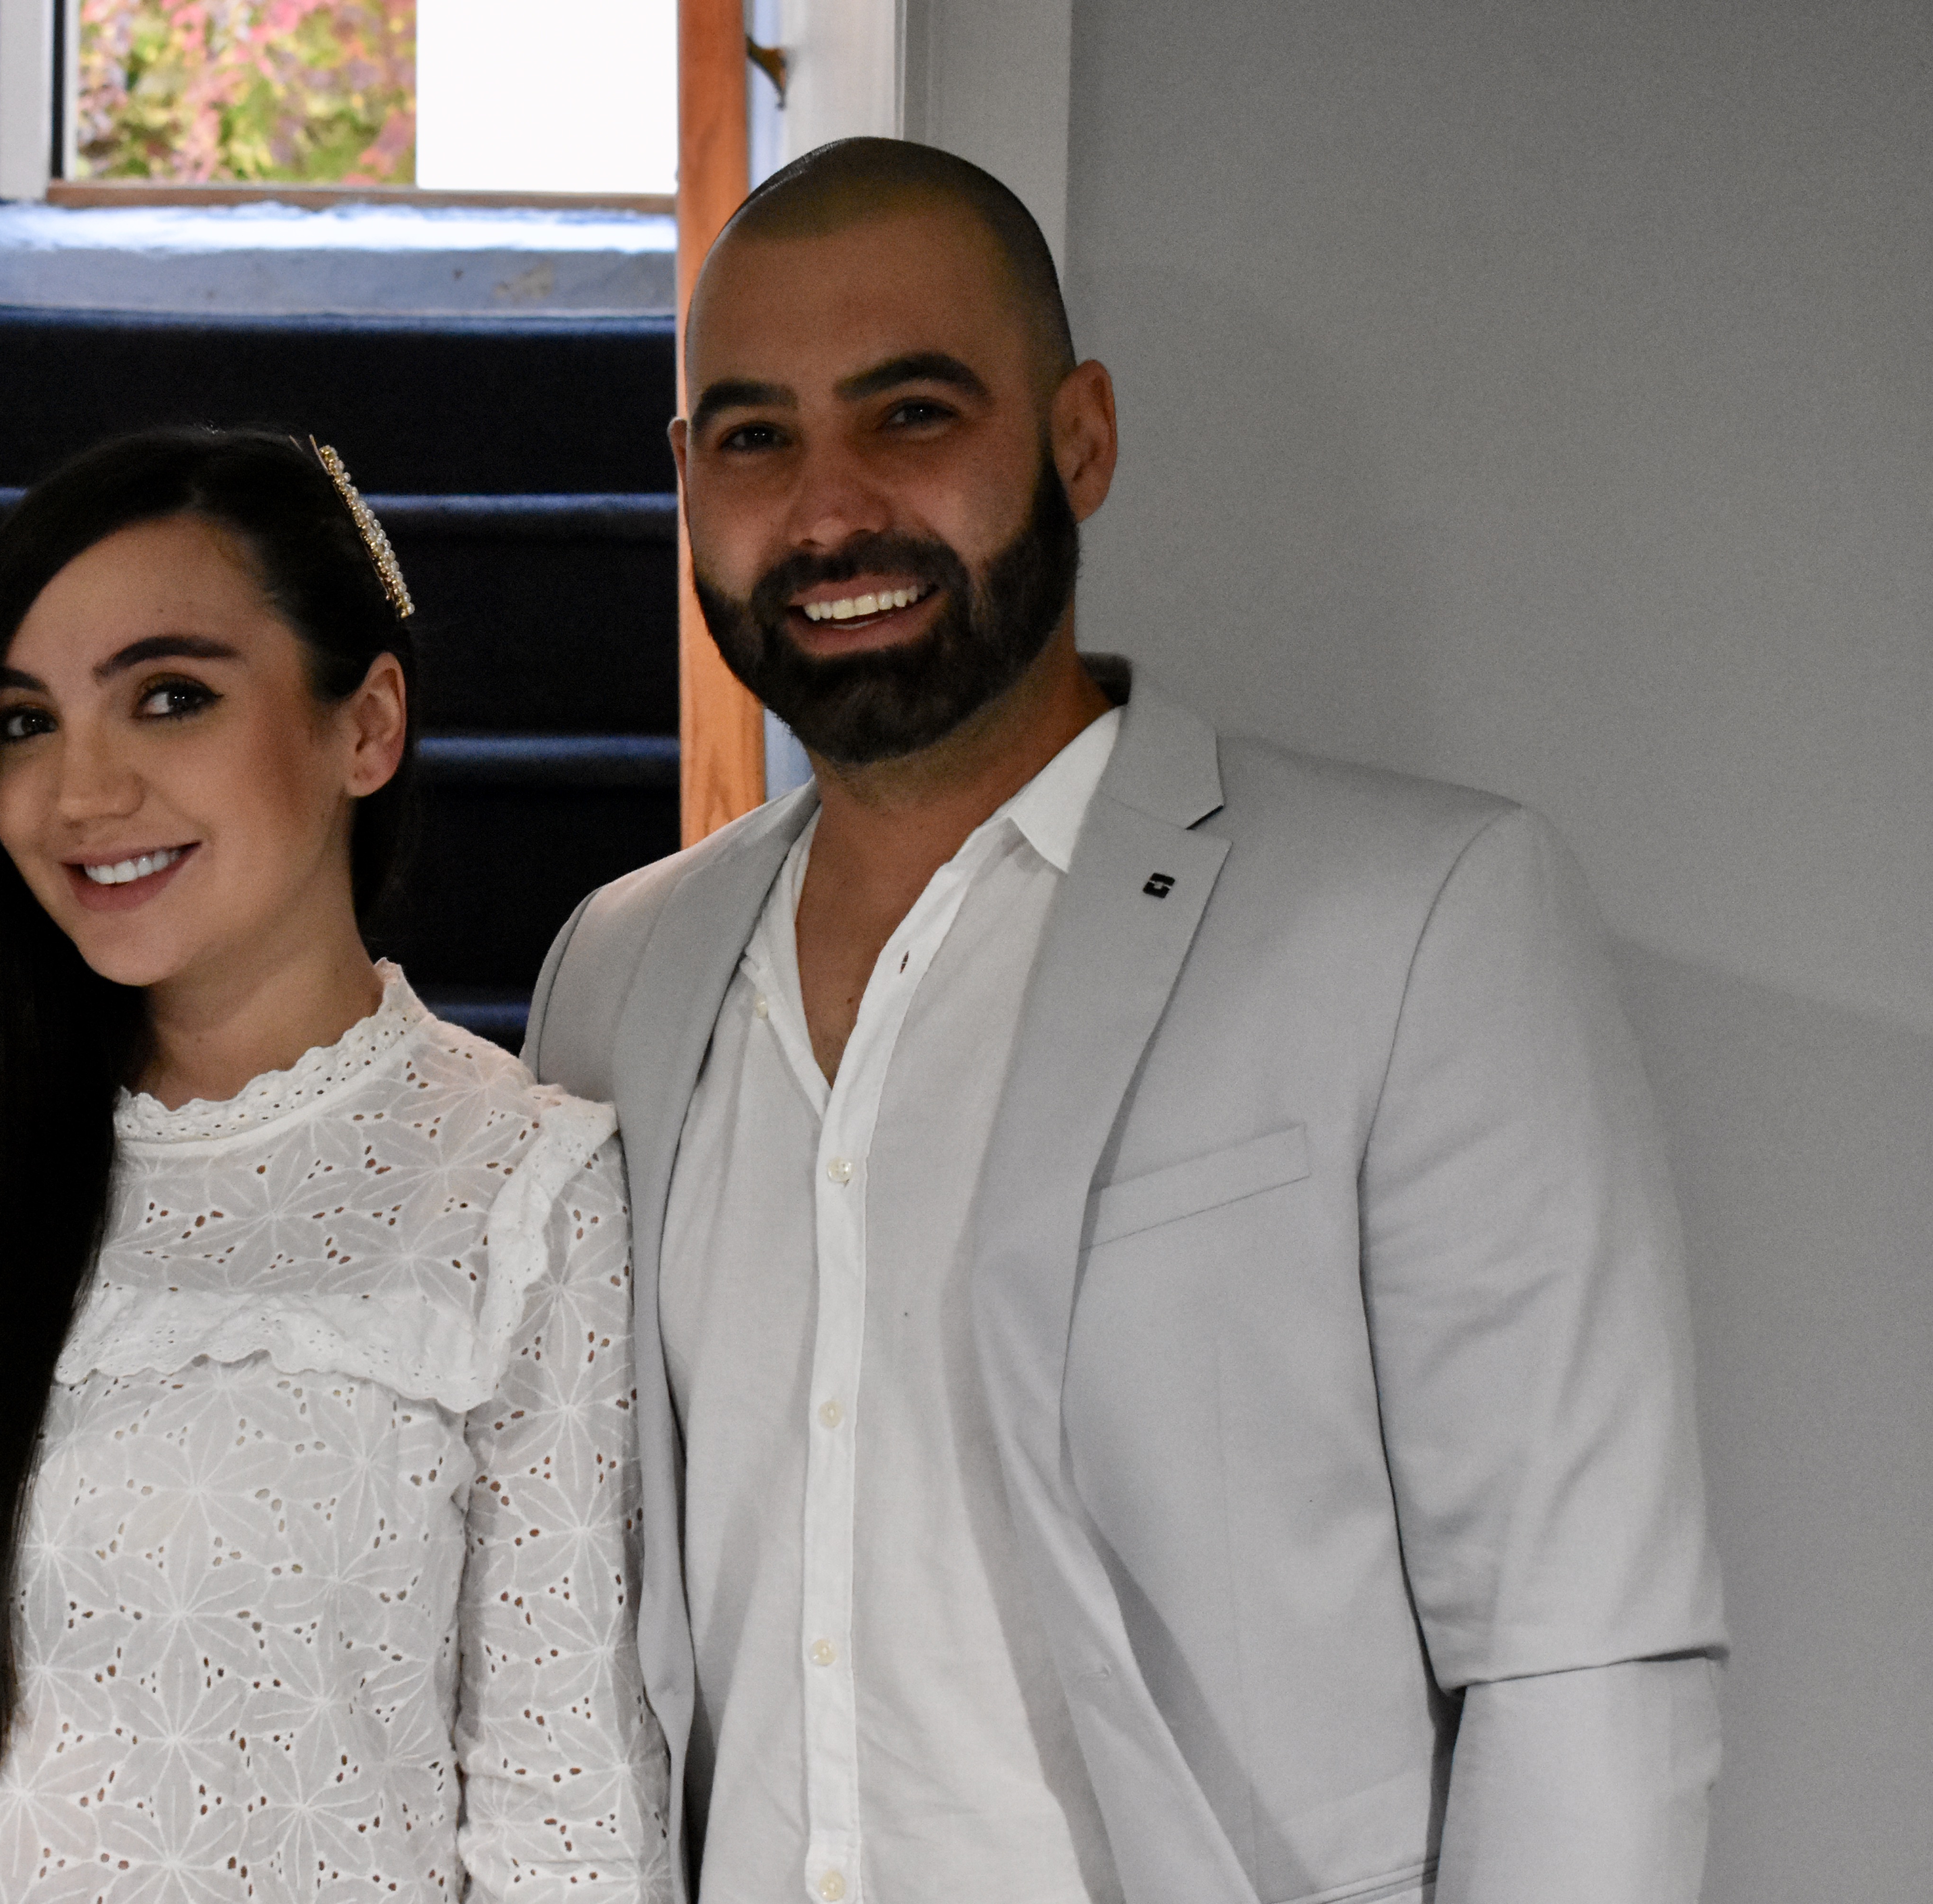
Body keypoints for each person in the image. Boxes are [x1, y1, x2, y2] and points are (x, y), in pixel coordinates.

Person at [523, 138, 1724, 1904]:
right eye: (757, 438)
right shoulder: (615, 971)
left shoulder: (1419, 919)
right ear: (689, 480)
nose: (831, 510)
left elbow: (1581, 1654)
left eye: (912, 414)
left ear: (1079, 437)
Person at [0, 427, 670, 1902]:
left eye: (170, 698)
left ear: (367, 727)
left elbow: (567, 1831)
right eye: (25, 722)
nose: (79, 794)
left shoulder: (515, 1189)